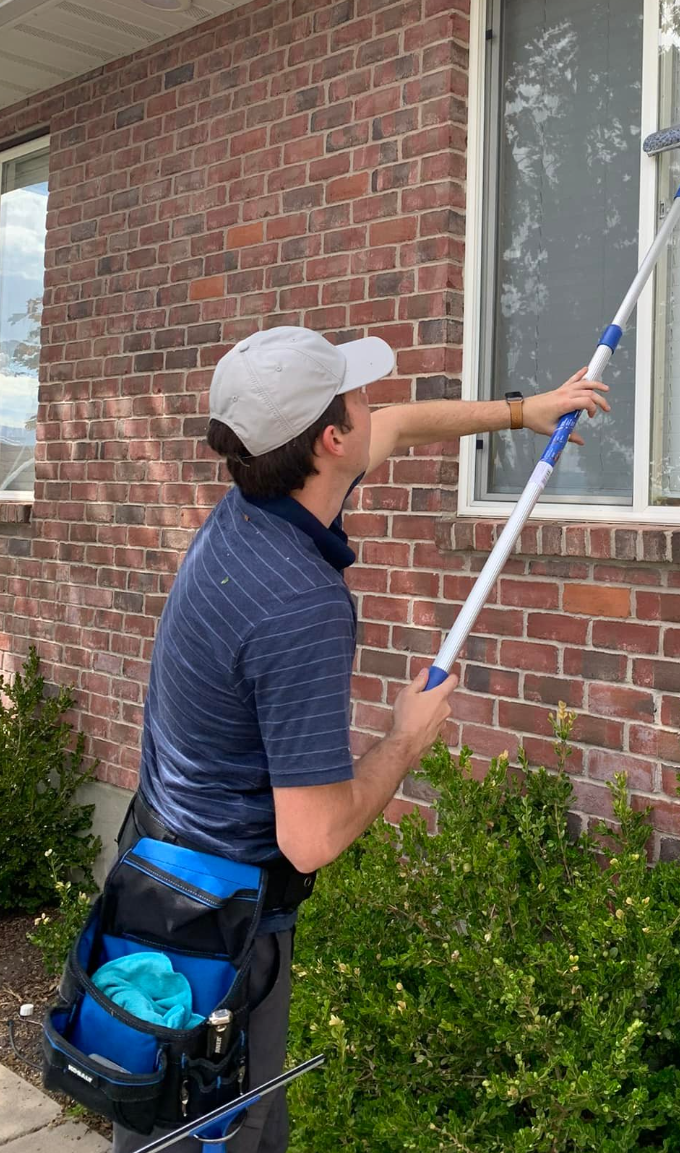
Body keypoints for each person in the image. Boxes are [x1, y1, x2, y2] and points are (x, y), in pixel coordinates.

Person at [111, 325, 609, 1152]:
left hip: (158, 880)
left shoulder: (251, 503)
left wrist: (526, 411)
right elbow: (308, 838)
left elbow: (401, 422)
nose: (375, 404)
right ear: (331, 440)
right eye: (357, 394)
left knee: (183, 1118)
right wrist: (405, 738)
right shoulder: (297, 603)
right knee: (212, 1129)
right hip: (216, 932)